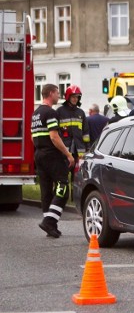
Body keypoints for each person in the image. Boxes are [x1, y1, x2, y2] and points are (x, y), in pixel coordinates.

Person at [31, 84, 75, 238]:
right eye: (57, 93)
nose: (59, 96)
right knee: (63, 186)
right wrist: (68, 154)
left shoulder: (35, 113)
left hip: (39, 154)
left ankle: (50, 224)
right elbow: (54, 137)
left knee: (46, 190)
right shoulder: (50, 112)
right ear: (50, 93)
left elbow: (32, 137)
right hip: (51, 154)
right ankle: (49, 221)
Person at [56, 85, 90, 161]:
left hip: (79, 151)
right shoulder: (59, 111)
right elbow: (55, 132)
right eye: (73, 97)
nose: (75, 99)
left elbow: (86, 132)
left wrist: (87, 147)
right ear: (68, 97)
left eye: (77, 97)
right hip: (64, 151)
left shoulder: (81, 113)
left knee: (78, 172)